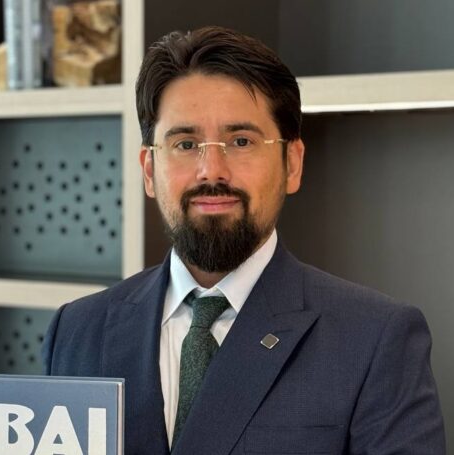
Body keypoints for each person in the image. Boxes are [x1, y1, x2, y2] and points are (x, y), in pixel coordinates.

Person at [42, 26, 445, 454]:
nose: (211, 170)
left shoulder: (375, 339)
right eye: (186, 143)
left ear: (292, 164)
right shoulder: (76, 331)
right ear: (148, 169)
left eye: (241, 141)